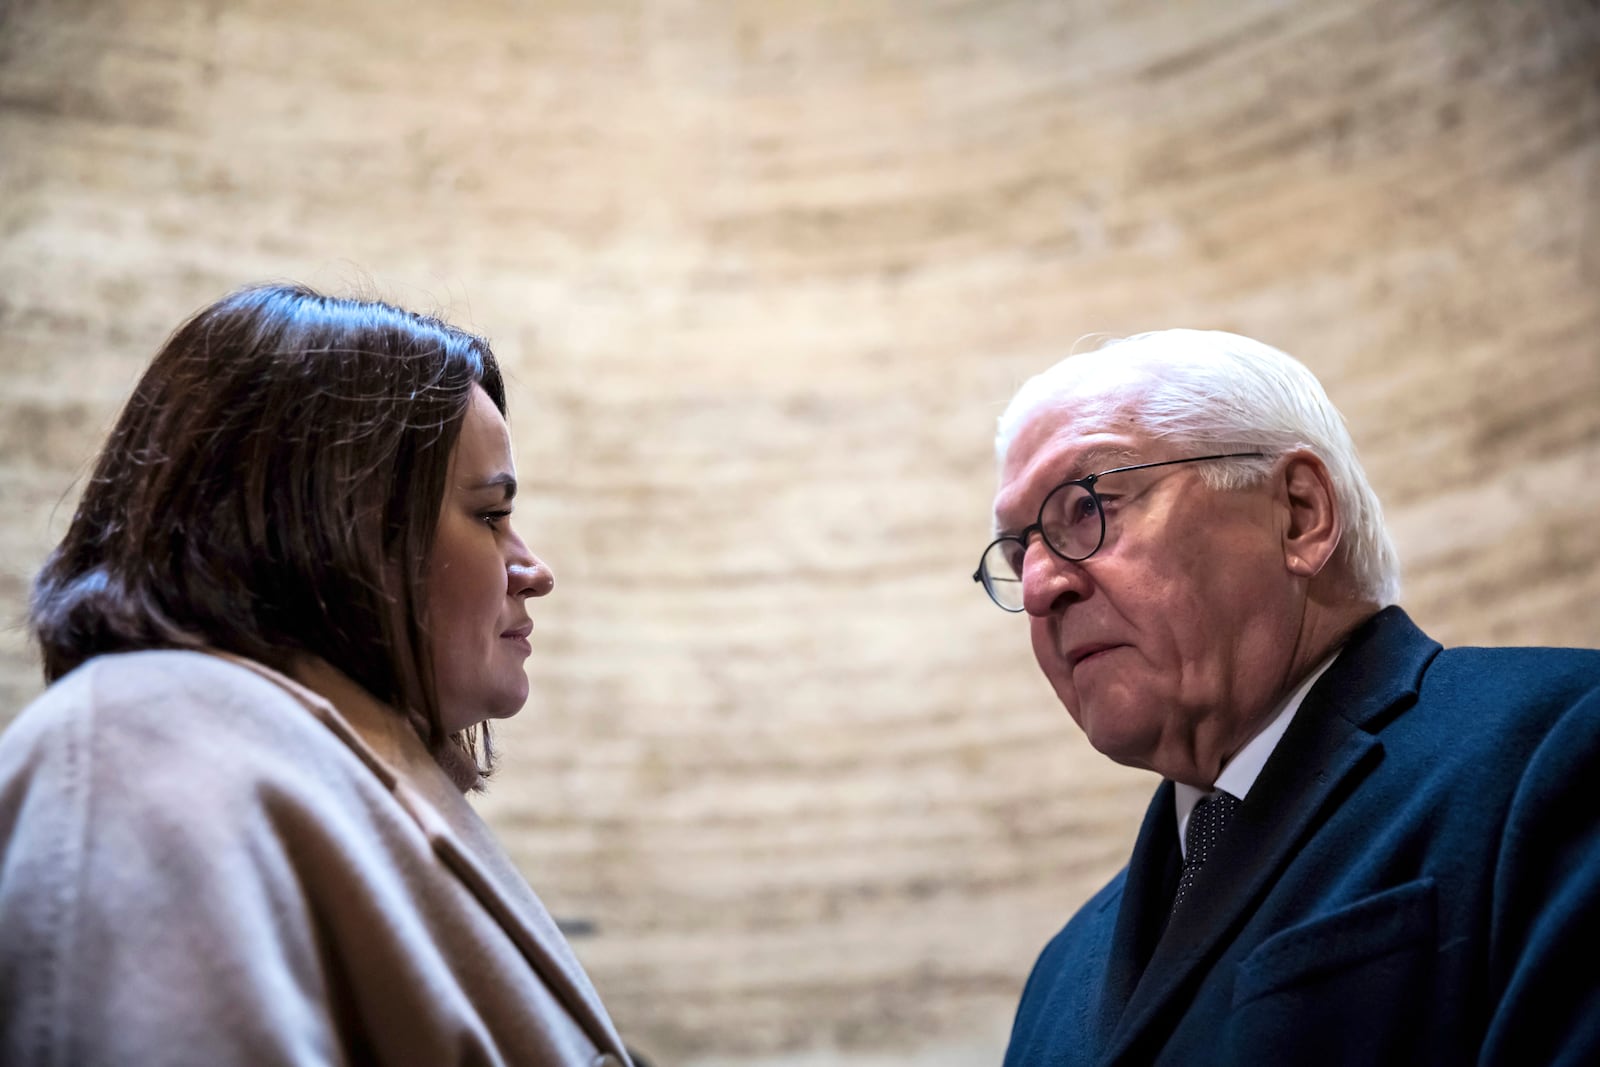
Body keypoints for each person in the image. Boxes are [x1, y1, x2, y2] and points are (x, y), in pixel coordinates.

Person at [0, 283, 633, 1066]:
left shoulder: (328, 765)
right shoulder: (149, 750)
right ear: (337, 527)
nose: (533, 569)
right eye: (489, 514)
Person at [975, 329, 1600, 1066]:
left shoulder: (1556, 746)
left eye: (1088, 506)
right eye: (1019, 553)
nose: (1044, 585)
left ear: (1299, 514)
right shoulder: (1060, 971)